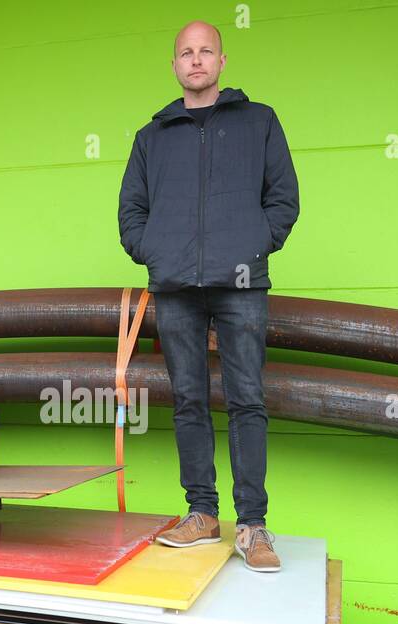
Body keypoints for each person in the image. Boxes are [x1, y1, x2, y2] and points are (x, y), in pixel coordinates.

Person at [117, 20, 299, 572]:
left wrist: (252, 247)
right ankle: (201, 514)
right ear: (175, 65)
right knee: (189, 400)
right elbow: (131, 213)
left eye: (205, 52)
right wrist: (157, 254)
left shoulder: (259, 122)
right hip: (175, 288)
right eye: (185, 53)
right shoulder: (152, 137)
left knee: (247, 401)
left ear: (222, 61)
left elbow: (283, 200)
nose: (195, 61)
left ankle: (253, 526)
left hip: (241, 285)